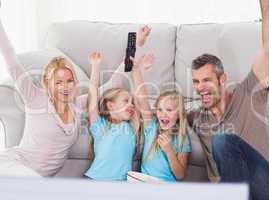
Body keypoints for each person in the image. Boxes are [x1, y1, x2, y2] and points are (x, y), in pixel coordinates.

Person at [0, 7, 139, 177]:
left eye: (69, 81)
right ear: (46, 83)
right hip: (16, 165)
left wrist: (135, 42)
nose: (65, 87)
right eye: (58, 82)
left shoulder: (78, 106)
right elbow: (11, 60)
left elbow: (114, 83)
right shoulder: (35, 97)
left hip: (39, 180)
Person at [187, 0, 269, 199]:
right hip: (231, 191)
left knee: (222, 140)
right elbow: (162, 112)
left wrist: (267, 6)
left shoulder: (250, 91)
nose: (200, 88)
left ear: (222, 79)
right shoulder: (197, 116)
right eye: (196, 82)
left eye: (206, 80)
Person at [84, 26, 151, 181]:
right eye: (126, 101)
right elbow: (92, 97)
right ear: (110, 105)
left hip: (119, 185)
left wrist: (141, 71)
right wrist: (95, 67)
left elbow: (140, 97)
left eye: (131, 102)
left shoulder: (132, 126)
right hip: (94, 180)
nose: (131, 104)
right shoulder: (99, 126)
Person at [131, 54, 191, 182]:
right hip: (144, 183)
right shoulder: (151, 126)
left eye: (169, 110)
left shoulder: (182, 139)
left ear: (179, 114)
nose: (163, 114)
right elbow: (142, 98)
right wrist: (138, 71)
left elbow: (180, 175)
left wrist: (169, 150)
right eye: (159, 109)